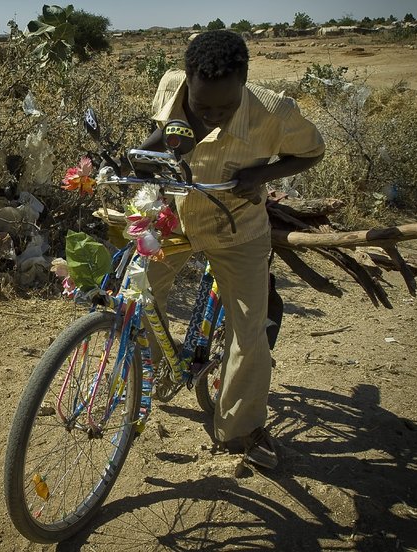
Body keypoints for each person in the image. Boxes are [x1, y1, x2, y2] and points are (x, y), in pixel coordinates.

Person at [141, 30, 325, 469]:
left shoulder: (274, 111)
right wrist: (154, 155)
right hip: (178, 216)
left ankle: (240, 428)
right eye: (203, 107)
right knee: (140, 293)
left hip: (237, 228)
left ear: (244, 81)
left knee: (249, 330)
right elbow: (158, 138)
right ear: (186, 81)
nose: (214, 117)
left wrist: (262, 176)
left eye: (226, 107)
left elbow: (313, 152)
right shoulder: (170, 87)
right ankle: (158, 368)